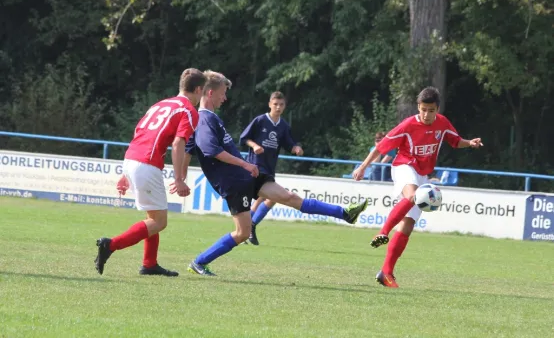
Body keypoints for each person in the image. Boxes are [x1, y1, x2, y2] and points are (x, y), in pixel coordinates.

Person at [184, 71, 369, 276]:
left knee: (289, 197)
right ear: (210, 93)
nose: (225, 98)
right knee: (242, 232)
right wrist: (245, 165)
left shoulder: (211, 119)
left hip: (246, 176)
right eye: (223, 93)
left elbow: (187, 147)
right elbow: (212, 151)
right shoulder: (205, 119)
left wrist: (180, 176)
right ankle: (199, 262)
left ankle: (345, 213)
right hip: (234, 182)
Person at [352, 87, 482, 288]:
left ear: (437, 109)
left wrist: (470, 143)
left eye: (431, 110)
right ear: (418, 107)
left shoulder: (442, 123)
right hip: (404, 165)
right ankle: (383, 232)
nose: (426, 114)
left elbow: (455, 141)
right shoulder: (408, 125)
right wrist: (362, 167)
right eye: (423, 109)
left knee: (408, 224)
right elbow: (381, 147)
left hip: (423, 173)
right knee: (413, 195)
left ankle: (386, 273)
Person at [94, 68, 207, 277]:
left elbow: (139, 133)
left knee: (152, 216)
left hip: (132, 158)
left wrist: (125, 171)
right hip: (147, 163)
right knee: (159, 222)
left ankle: (149, 264)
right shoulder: (188, 110)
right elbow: (178, 143)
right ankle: (111, 245)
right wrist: (179, 179)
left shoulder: (160, 104)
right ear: (199, 89)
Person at [239, 91, 303, 246]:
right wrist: (254, 146)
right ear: (269, 104)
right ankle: (247, 229)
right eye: (275, 104)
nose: (278, 107)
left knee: (270, 198)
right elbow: (244, 138)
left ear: (285, 106)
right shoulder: (260, 120)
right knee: (265, 198)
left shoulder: (283, 126)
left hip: (269, 167)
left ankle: (250, 227)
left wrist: (295, 148)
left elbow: (288, 143)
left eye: (281, 105)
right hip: (255, 166)